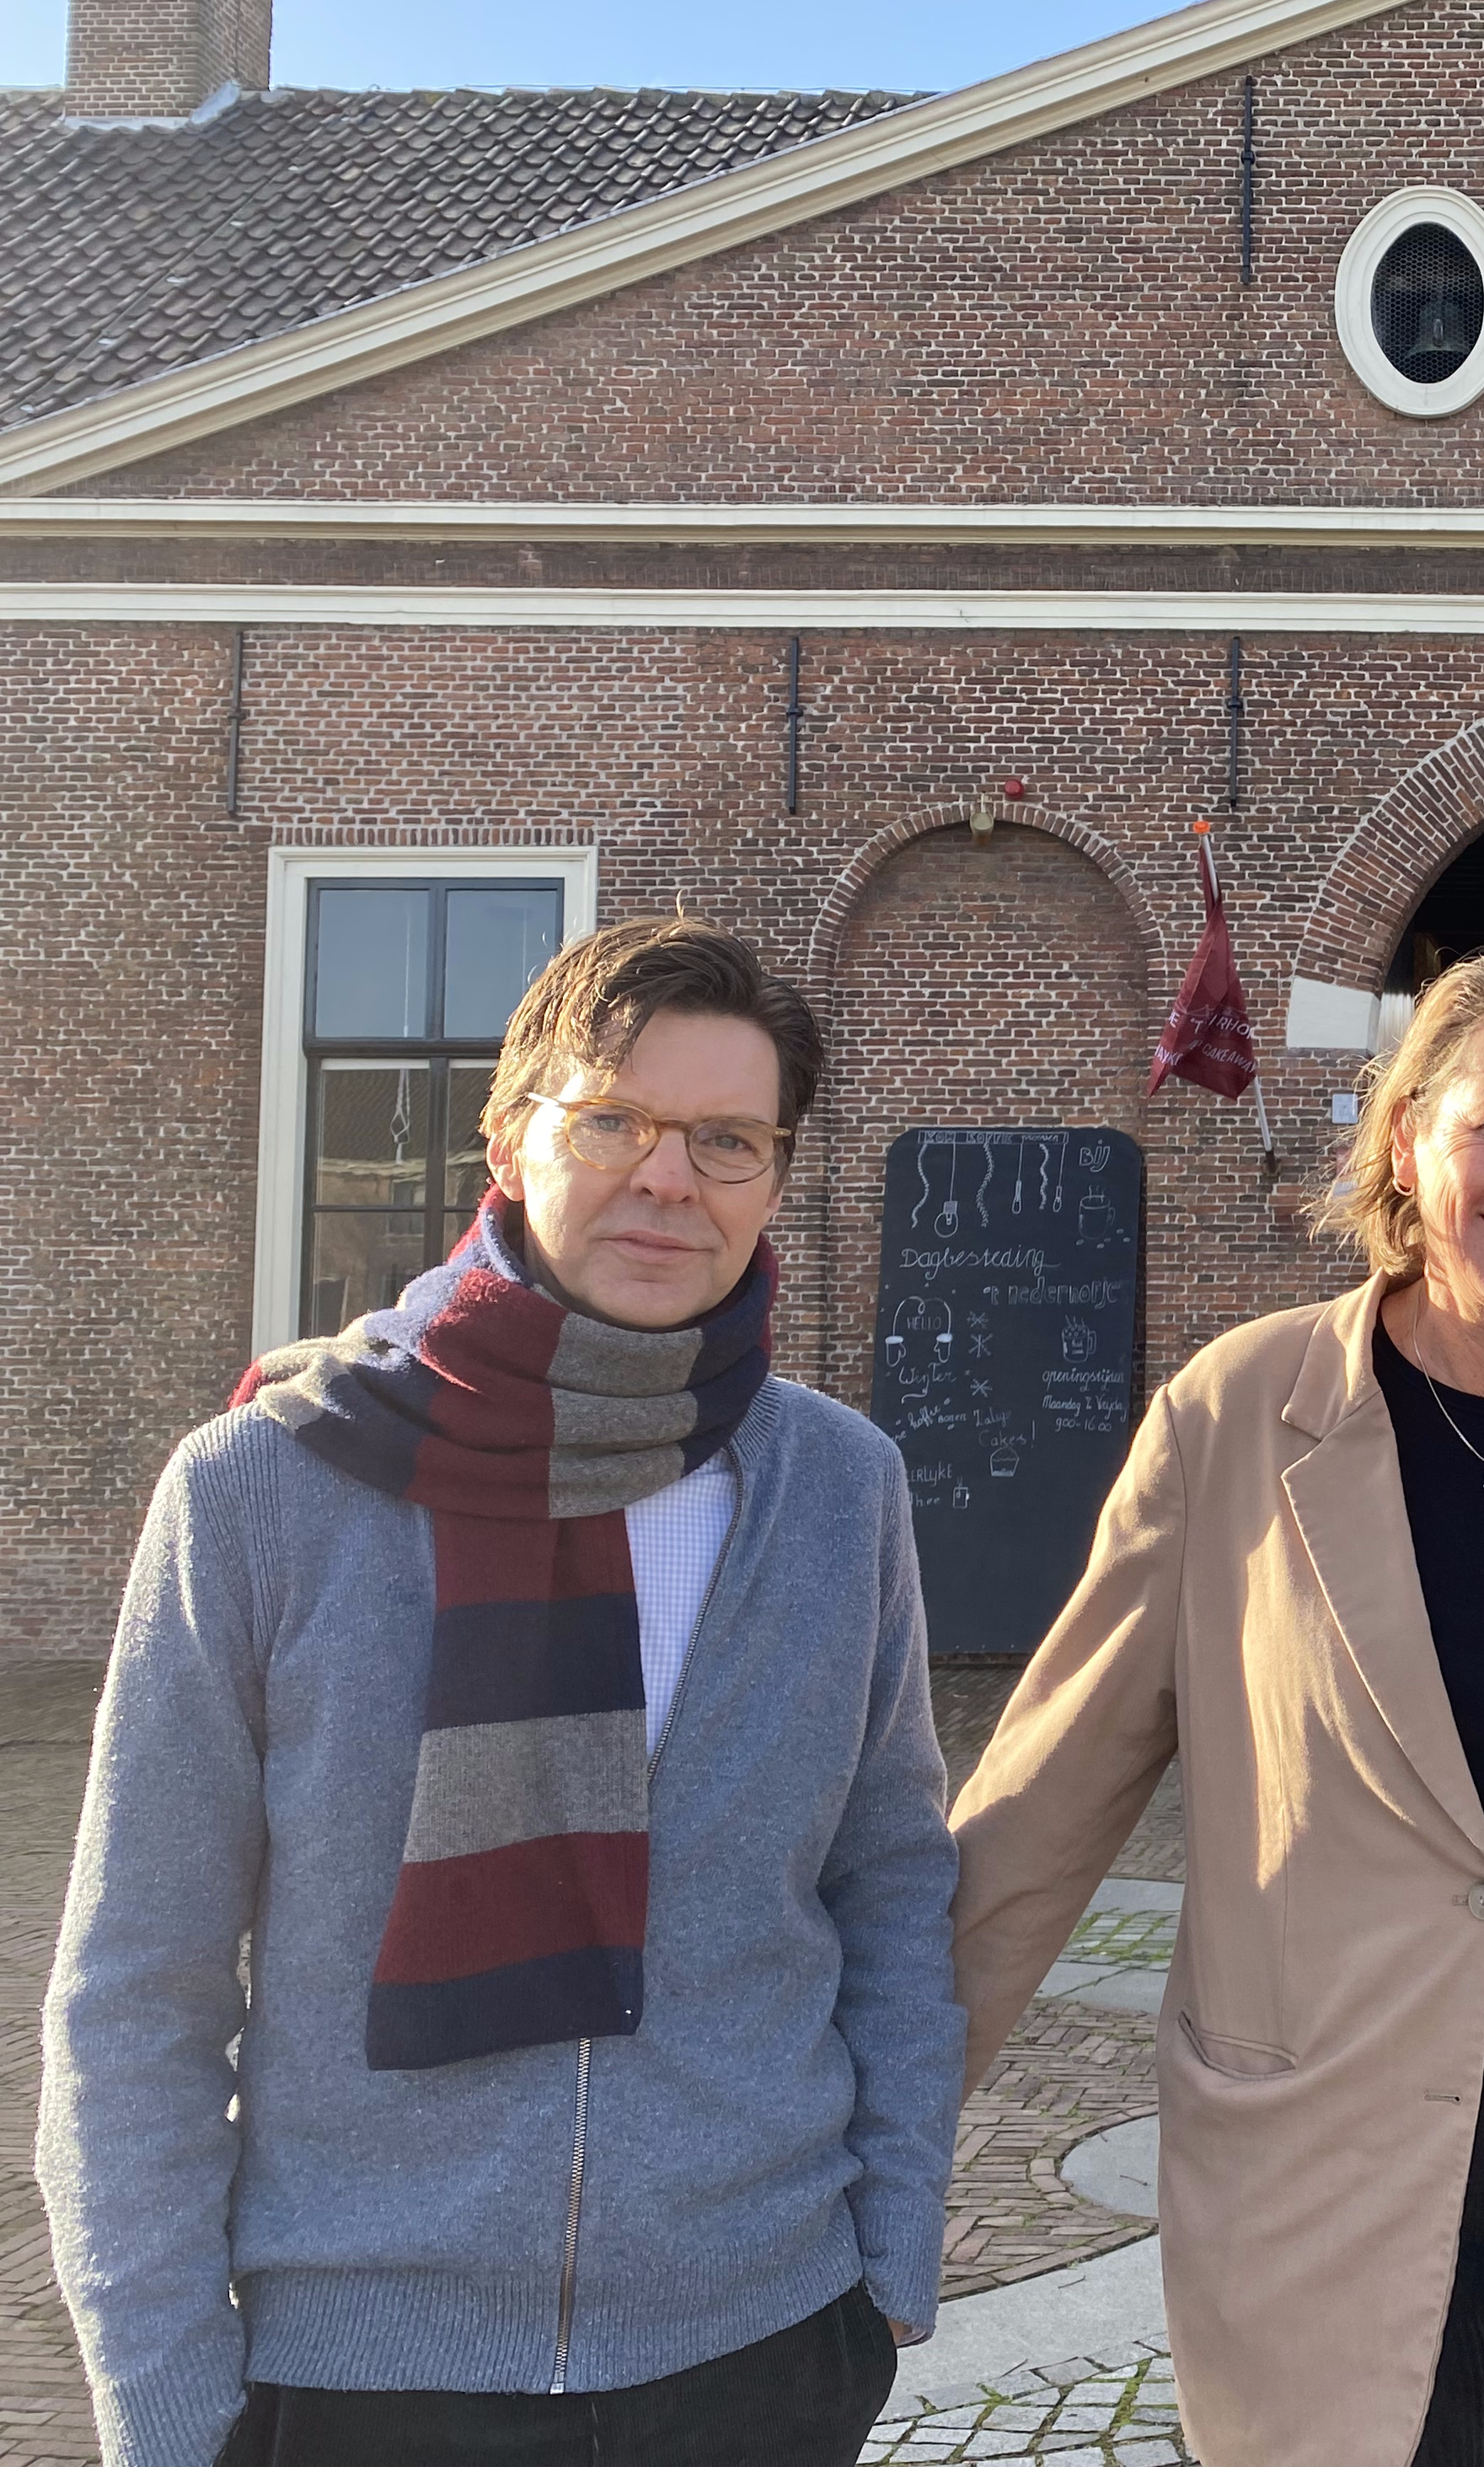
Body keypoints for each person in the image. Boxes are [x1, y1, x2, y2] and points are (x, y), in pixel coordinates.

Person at [40, 916, 964, 2467]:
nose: (669, 1178)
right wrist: (170, 2401)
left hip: (761, 2350)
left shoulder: (839, 1489)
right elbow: (139, 1983)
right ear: (508, 1130)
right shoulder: (267, 1489)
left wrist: (887, 2264)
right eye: (615, 1119)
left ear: (779, 1177)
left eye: (728, 1140)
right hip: (359, 2374)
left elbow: (888, 1884)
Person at [947, 948, 1484, 2467]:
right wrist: (876, 2147)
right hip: (1316, 2204)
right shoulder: (1231, 1414)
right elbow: (1040, 1803)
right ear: (1407, 1139)